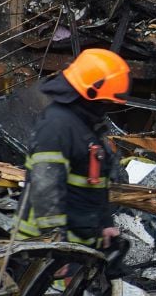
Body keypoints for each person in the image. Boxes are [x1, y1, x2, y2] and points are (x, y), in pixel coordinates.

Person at [14, 48, 129, 248]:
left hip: (76, 245)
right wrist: (55, 244)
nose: (107, 107)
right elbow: (45, 186)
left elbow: (93, 187)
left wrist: (105, 225)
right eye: (106, 101)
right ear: (90, 92)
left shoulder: (84, 127)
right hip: (39, 249)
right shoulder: (57, 126)